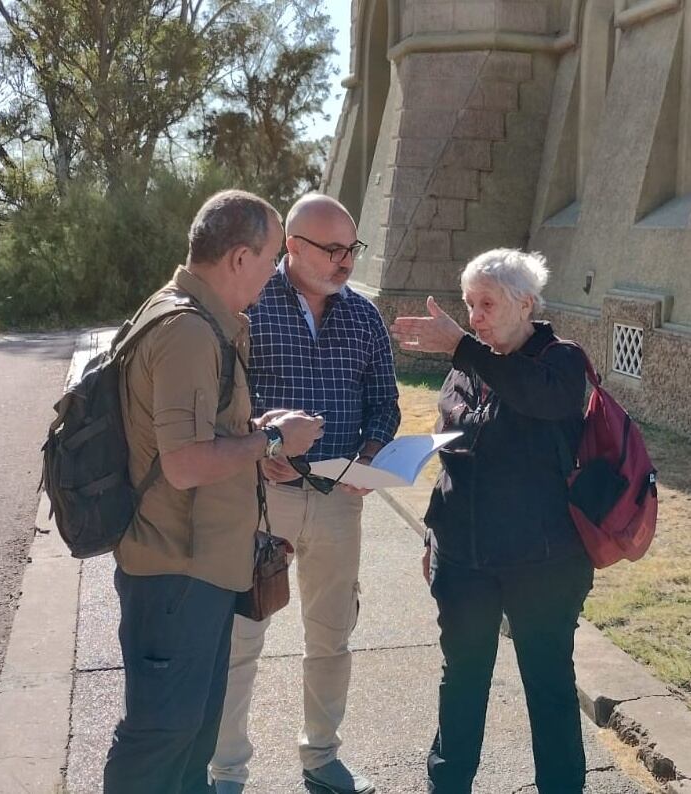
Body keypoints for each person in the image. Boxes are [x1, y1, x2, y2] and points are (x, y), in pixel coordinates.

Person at [104, 189, 325, 794]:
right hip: (176, 572)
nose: (277, 272)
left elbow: (197, 438)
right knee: (161, 737)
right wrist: (274, 443)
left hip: (198, 566)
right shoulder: (188, 333)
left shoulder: (193, 319)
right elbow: (182, 464)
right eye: (273, 256)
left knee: (193, 736)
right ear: (238, 258)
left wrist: (257, 436)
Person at [209, 194, 401, 794]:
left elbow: (385, 404)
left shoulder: (363, 317)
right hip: (265, 500)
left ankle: (321, 758)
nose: (345, 261)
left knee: (331, 636)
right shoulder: (248, 305)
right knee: (243, 636)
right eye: (332, 249)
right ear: (291, 245)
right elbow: (218, 400)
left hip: (341, 499)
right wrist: (259, 450)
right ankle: (227, 773)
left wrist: (370, 458)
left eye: (351, 248)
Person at [390, 248, 595, 794]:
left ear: (525, 304)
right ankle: (447, 785)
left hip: (543, 563)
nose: (474, 317)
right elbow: (453, 457)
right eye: (468, 304)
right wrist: (435, 532)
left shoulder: (561, 360)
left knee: (548, 687)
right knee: (463, 679)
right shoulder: (468, 368)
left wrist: (461, 345)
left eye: (486, 304)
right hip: (467, 559)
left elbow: (535, 397)